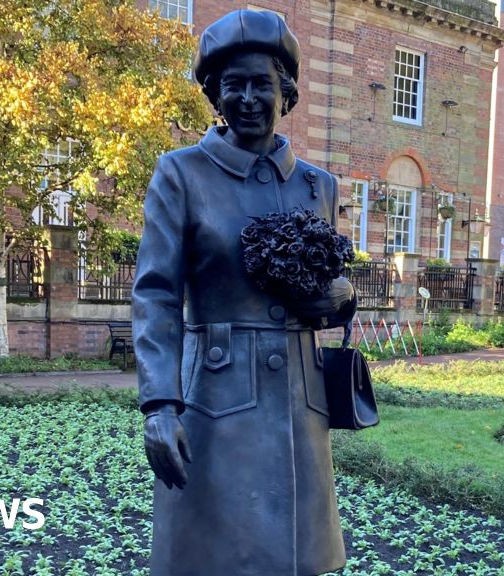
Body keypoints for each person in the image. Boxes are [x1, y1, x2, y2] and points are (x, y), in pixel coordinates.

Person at [131, 11, 354, 575]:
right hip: (215, 397)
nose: (249, 98)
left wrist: (341, 296)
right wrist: (159, 404)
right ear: (214, 94)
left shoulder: (317, 186)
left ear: (287, 91)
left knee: (296, 557)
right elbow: (156, 293)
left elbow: (333, 276)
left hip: (300, 403)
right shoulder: (181, 175)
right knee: (214, 555)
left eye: (263, 83)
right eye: (234, 85)